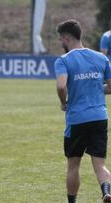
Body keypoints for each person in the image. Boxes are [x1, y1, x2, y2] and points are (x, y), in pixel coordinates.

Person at [55, 19, 111, 203]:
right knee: (100, 165)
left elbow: (62, 87)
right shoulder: (101, 58)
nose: (61, 43)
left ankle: (72, 202)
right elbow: (110, 87)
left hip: (77, 119)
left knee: (73, 166)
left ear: (66, 38)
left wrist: (64, 103)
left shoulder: (64, 61)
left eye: (61, 39)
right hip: (99, 117)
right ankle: (106, 191)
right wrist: (94, 87)